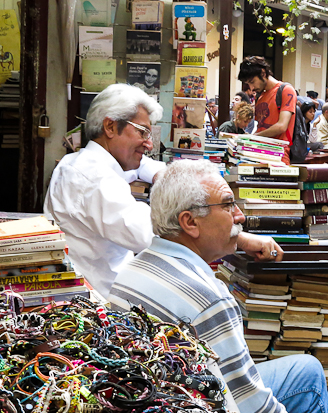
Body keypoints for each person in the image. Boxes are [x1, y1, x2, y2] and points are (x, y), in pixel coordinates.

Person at [108, 160, 328, 413]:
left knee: (306, 370)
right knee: (304, 382)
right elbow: (253, 408)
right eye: (228, 205)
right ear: (189, 222)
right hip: (195, 409)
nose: (240, 216)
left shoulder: (133, 268)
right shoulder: (209, 301)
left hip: (153, 399)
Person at [45, 83, 278, 297]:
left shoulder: (84, 161)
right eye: (142, 132)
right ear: (110, 126)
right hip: (100, 302)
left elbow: (145, 166)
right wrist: (242, 239)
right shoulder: (95, 177)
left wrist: (170, 179)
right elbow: (158, 233)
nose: (149, 143)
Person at [238, 56, 296, 164]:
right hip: (258, 155)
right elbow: (261, 126)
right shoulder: (260, 96)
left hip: (277, 157)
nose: (251, 88)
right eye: (248, 84)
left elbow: (282, 126)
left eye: (252, 82)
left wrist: (253, 136)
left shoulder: (286, 90)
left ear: (263, 73)